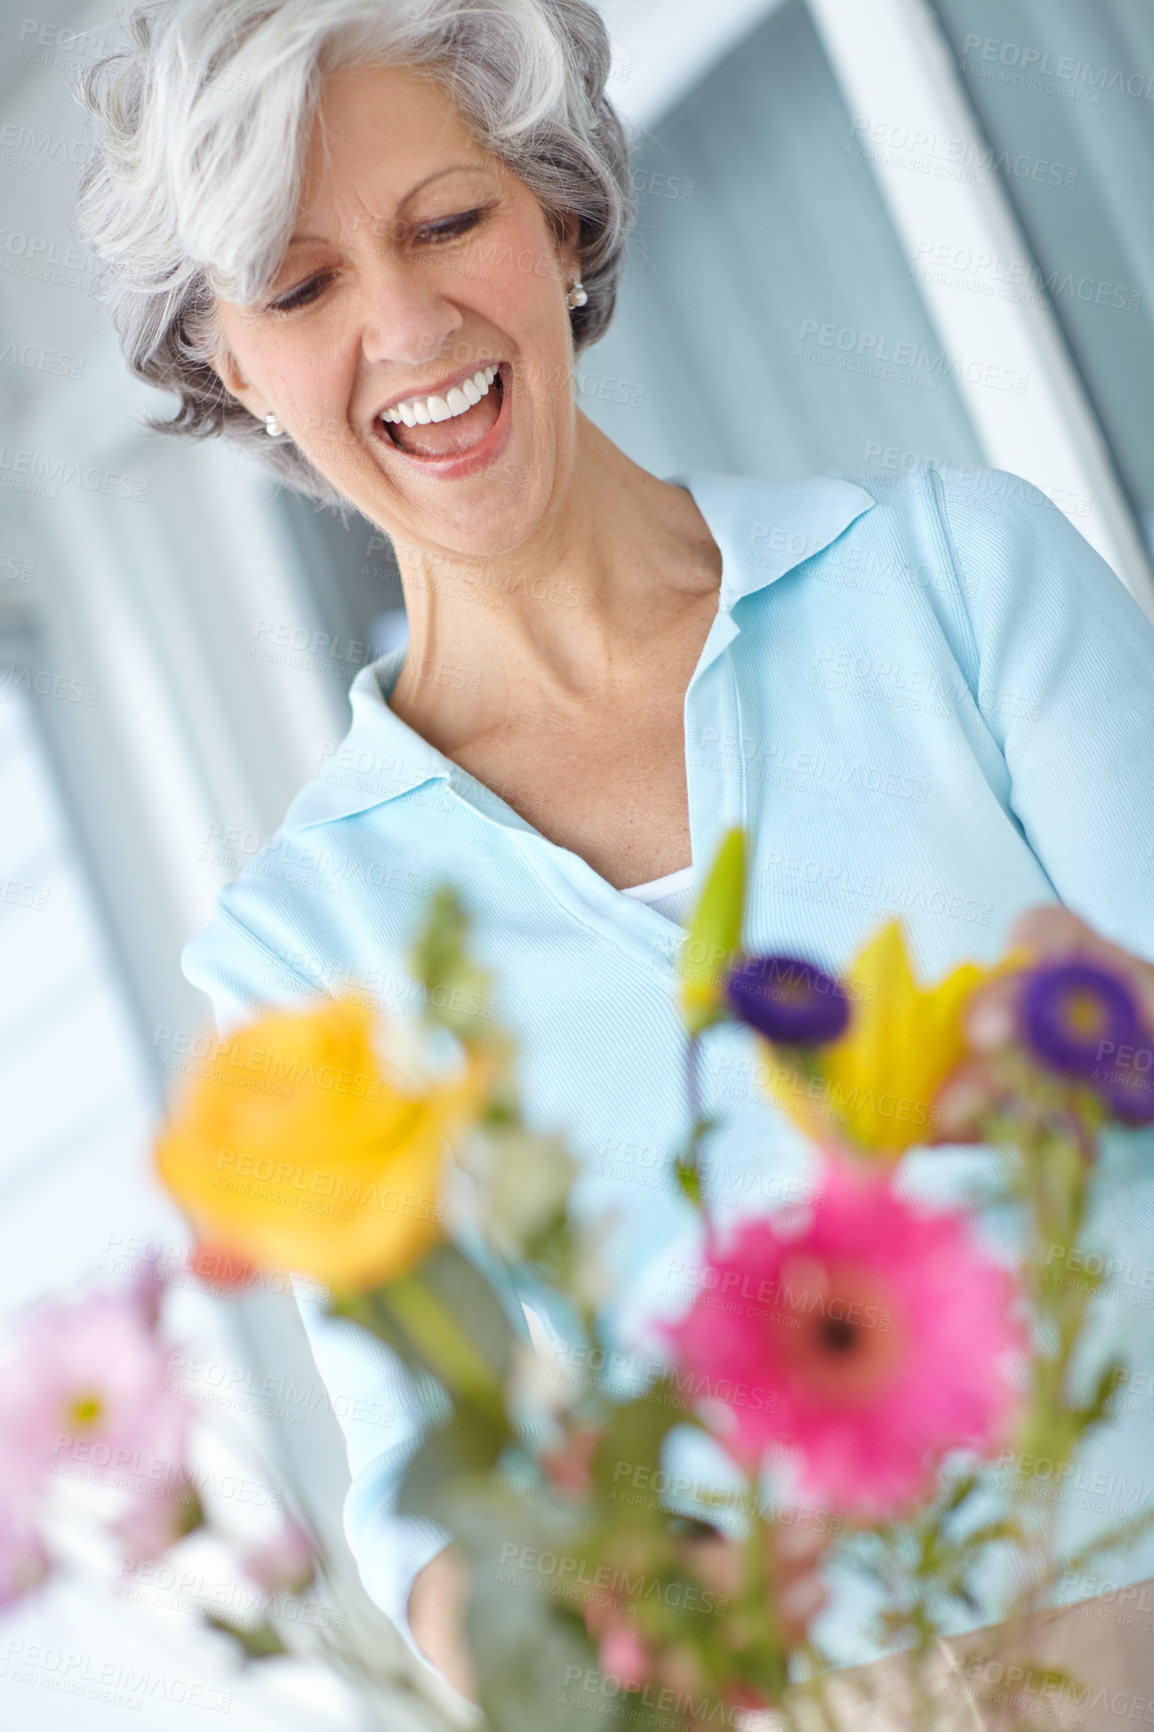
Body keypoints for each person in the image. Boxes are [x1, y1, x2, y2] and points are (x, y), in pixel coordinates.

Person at [76, 0, 1154, 1703]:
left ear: (561, 212)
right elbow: (431, 1520)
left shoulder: (953, 582)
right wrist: (562, 1621)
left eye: (449, 222)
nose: (409, 323)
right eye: (300, 288)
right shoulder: (299, 950)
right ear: (230, 365)